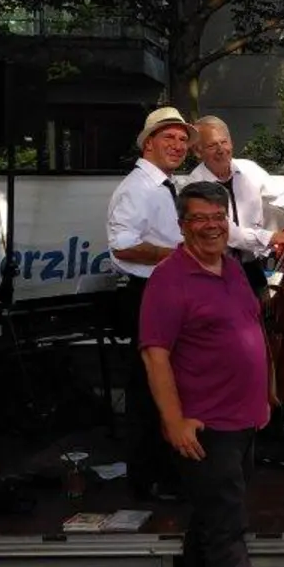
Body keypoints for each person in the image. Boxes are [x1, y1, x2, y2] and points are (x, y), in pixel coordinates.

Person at [139, 181, 284, 567]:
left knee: (208, 522)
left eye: (217, 217)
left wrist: (267, 391)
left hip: (246, 419)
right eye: (199, 218)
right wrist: (173, 419)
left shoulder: (231, 269)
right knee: (227, 535)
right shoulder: (168, 279)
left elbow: (255, 329)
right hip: (206, 428)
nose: (210, 225)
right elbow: (155, 354)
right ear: (182, 225)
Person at [107, 106, 195, 500]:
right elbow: (123, 247)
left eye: (182, 139)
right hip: (146, 295)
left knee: (169, 383)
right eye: (168, 137)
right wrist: (181, 258)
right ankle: (148, 478)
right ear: (148, 143)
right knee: (149, 387)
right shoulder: (137, 187)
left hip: (165, 294)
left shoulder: (164, 185)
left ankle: (166, 470)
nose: (178, 145)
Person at [185, 115, 284, 296]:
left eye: (224, 142)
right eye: (212, 145)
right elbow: (228, 233)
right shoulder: (194, 185)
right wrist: (277, 237)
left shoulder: (248, 169)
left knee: (261, 316)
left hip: (251, 267)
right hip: (214, 271)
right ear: (198, 152)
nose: (221, 150)